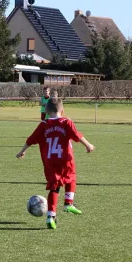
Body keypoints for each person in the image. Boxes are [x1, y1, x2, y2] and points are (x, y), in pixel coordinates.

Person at [16, 98, 95, 229]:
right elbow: (76, 135)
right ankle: (68, 203)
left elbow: (31, 139)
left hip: (49, 162)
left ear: (46, 111)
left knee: (54, 187)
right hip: (65, 158)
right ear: (62, 110)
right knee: (72, 176)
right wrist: (88, 145)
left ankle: (50, 217)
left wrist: (22, 151)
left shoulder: (43, 125)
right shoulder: (66, 122)